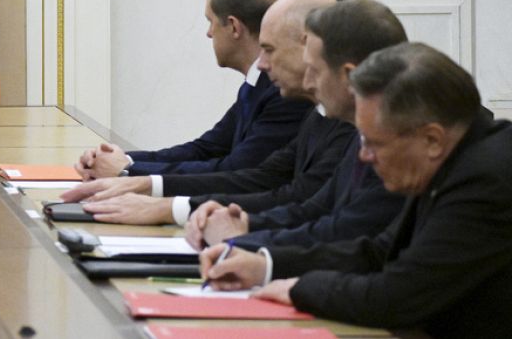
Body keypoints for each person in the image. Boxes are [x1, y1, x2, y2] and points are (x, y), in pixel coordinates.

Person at [202, 43, 512, 338]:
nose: (363, 156)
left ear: (432, 140)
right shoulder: (452, 156)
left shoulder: (485, 180)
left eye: (373, 143)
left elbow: (395, 297)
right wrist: (265, 266)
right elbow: (378, 252)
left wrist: (298, 289)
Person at [60, 0, 352, 225]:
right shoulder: (318, 114)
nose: (262, 64)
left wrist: (162, 201)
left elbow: (293, 198)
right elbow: (253, 170)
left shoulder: (334, 119)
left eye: (269, 50)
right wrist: (137, 176)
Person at [188, 0, 407, 249]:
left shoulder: (395, 143)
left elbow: (347, 232)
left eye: (315, 70)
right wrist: (245, 224)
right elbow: (315, 208)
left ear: (348, 75)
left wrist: (245, 239)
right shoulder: (350, 128)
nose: (309, 81)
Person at [74, 0, 309, 178]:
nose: (209, 33)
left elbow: (235, 170)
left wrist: (128, 170)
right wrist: (121, 160)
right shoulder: (256, 84)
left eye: (210, 21)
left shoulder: (284, 92)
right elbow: (207, 149)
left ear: (233, 26)